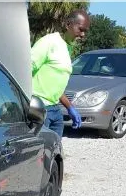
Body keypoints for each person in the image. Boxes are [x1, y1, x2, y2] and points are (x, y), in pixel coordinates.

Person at [30, 9, 90, 138]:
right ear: (68, 25)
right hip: (39, 108)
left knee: (54, 153)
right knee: (39, 154)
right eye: (81, 29)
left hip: (55, 109)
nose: (83, 34)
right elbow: (25, 69)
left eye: (86, 31)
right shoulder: (49, 42)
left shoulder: (67, 47)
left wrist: (70, 108)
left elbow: (55, 86)